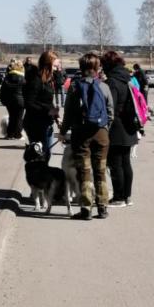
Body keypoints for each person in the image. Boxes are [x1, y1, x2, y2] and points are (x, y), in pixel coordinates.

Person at [61, 52, 114, 219]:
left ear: (81, 67)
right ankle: (103, 207)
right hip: (101, 133)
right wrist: (104, 128)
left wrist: (63, 131)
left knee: (84, 172)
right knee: (100, 170)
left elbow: (68, 113)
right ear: (97, 68)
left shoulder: (75, 87)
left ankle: (86, 209)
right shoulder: (104, 87)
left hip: (80, 134)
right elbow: (111, 113)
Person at [101, 51, 141, 207]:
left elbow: (110, 106)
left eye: (104, 65)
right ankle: (127, 196)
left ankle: (118, 197)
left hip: (117, 127)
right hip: (129, 125)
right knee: (126, 163)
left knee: (115, 163)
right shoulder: (127, 78)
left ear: (108, 65)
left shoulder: (112, 81)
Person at [23, 51, 59, 151]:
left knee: (46, 154)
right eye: (55, 64)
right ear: (48, 63)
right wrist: (47, 111)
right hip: (35, 123)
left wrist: (56, 117)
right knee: (41, 155)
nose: (58, 65)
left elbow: (47, 102)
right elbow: (29, 102)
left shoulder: (48, 79)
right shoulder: (35, 79)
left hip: (45, 122)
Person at [0, 59, 26, 139]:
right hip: (20, 100)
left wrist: (3, 100)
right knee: (19, 118)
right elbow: (26, 90)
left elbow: (2, 90)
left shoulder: (7, 78)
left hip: (9, 100)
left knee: (12, 117)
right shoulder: (22, 78)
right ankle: (18, 134)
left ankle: (10, 134)